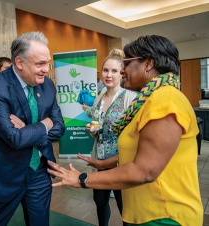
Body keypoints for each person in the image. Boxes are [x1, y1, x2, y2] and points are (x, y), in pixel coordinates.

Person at [48, 35, 203, 226]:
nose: (122, 71)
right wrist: (102, 164)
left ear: (148, 64)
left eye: (127, 63)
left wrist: (81, 178)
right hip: (148, 212)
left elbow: (144, 170)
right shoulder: (149, 100)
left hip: (163, 216)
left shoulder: (165, 100)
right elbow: (139, 153)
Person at [0, 31, 65, 226]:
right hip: (3, 173)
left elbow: (59, 126)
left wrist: (29, 129)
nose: (46, 70)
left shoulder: (47, 85)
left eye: (47, 63)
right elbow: (14, 138)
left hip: (39, 171)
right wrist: (44, 125)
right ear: (19, 62)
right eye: (40, 64)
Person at [79, 49, 136, 226]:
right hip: (100, 161)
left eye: (114, 71)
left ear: (122, 73)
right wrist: (93, 131)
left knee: (124, 207)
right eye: (105, 70)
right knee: (100, 203)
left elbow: (134, 133)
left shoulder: (130, 98)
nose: (108, 75)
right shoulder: (98, 99)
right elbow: (97, 127)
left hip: (121, 162)